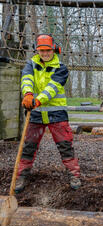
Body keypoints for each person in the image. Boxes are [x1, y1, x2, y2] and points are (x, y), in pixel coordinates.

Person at [15, 34, 81, 193]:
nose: (44, 54)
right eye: (41, 51)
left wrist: (38, 100)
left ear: (54, 49)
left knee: (65, 145)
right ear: (37, 51)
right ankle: (21, 175)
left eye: (47, 50)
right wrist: (28, 94)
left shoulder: (61, 68)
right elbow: (26, 79)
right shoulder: (31, 64)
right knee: (28, 146)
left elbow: (52, 88)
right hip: (35, 114)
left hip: (56, 114)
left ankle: (74, 174)